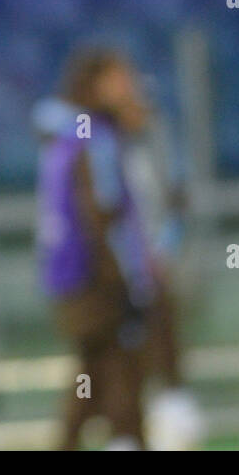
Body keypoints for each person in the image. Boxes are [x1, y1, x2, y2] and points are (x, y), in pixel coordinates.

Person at [36, 46, 156, 449]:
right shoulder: (93, 139)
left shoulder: (68, 135)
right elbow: (101, 213)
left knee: (96, 374)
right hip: (94, 276)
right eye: (120, 78)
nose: (129, 87)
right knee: (119, 367)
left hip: (72, 276)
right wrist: (124, 281)